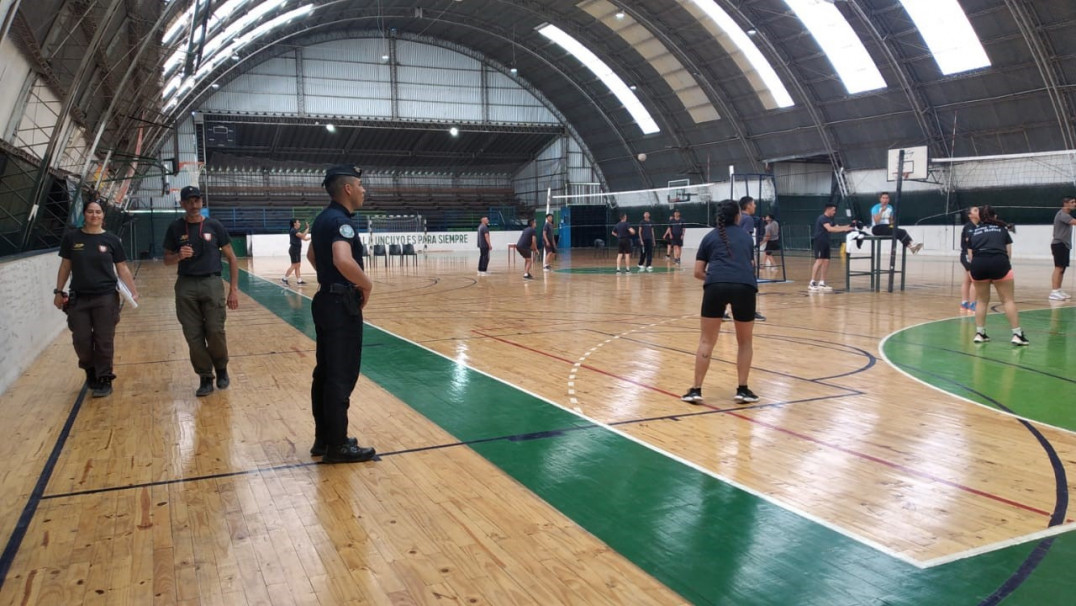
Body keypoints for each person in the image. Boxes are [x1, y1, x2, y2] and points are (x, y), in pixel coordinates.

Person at [307, 165, 377, 463]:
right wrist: (365, 284)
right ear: (347, 188)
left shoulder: (324, 218)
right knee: (340, 375)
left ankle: (324, 439)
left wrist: (330, 280)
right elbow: (342, 258)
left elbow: (312, 256)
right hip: (340, 306)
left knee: (324, 373)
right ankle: (338, 446)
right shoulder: (341, 222)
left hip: (325, 299)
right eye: (360, 184)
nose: (363, 190)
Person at [53, 200, 140, 397]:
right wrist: (58, 291)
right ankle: (90, 369)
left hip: (106, 298)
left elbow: (122, 267)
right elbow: (65, 266)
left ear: (103, 216)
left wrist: (133, 290)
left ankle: (104, 378)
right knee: (81, 341)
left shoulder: (111, 240)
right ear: (84, 214)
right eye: (90, 212)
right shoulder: (72, 238)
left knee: (104, 340)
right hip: (79, 299)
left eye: (98, 212)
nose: (94, 215)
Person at [163, 186, 239, 397]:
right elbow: (166, 260)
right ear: (182, 204)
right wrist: (179, 256)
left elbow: (232, 258)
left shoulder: (214, 226)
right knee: (193, 335)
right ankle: (205, 376)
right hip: (186, 285)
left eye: (197, 201)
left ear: (201, 202)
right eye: (189, 201)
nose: (193, 205)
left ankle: (221, 368)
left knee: (215, 330)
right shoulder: (175, 227)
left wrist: (233, 290)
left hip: (212, 283)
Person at [681, 200, 759, 405]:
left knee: (706, 341)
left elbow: (698, 272)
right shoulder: (746, 238)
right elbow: (750, 266)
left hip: (715, 287)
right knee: (745, 342)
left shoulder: (708, 238)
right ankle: (742, 389)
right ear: (737, 216)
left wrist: (717, 279)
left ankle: (696, 390)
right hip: (745, 286)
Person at [968, 205, 1028, 346]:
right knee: (1007, 300)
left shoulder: (974, 232)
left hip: (978, 264)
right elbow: (1008, 254)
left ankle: (980, 333)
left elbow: (971, 256)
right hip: (998, 262)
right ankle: (1017, 335)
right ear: (995, 216)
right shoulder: (1002, 230)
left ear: (980, 217)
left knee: (982, 301)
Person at [809, 203, 854, 292]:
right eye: (833, 210)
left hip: (826, 242)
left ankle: (822, 282)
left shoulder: (830, 219)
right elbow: (830, 229)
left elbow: (836, 227)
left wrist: (850, 226)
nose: (835, 212)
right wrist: (844, 229)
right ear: (828, 209)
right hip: (820, 242)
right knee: (819, 261)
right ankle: (812, 282)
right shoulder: (822, 218)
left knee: (826, 261)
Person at [1049, 196, 1075, 300]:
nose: (1074, 204)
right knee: (1058, 268)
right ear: (1065, 203)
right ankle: (1054, 292)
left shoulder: (1066, 215)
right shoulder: (1062, 214)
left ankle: (1058, 290)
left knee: (1062, 269)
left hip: (1064, 245)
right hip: (1059, 244)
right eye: (1072, 202)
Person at [959, 206, 980, 311]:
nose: (978, 212)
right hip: (967, 255)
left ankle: (964, 302)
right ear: (970, 215)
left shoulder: (979, 226)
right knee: (975, 280)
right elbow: (970, 244)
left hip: (974, 256)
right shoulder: (969, 227)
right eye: (975, 210)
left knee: (967, 280)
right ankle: (972, 304)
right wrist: (971, 258)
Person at [282, 219, 311, 285]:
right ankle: (284, 278)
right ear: (294, 223)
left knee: (298, 265)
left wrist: (313, 237)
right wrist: (307, 228)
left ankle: (299, 280)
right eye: (298, 222)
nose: (300, 223)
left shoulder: (296, 231)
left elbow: (305, 239)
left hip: (297, 250)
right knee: (294, 265)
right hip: (294, 250)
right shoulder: (293, 230)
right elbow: (303, 236)